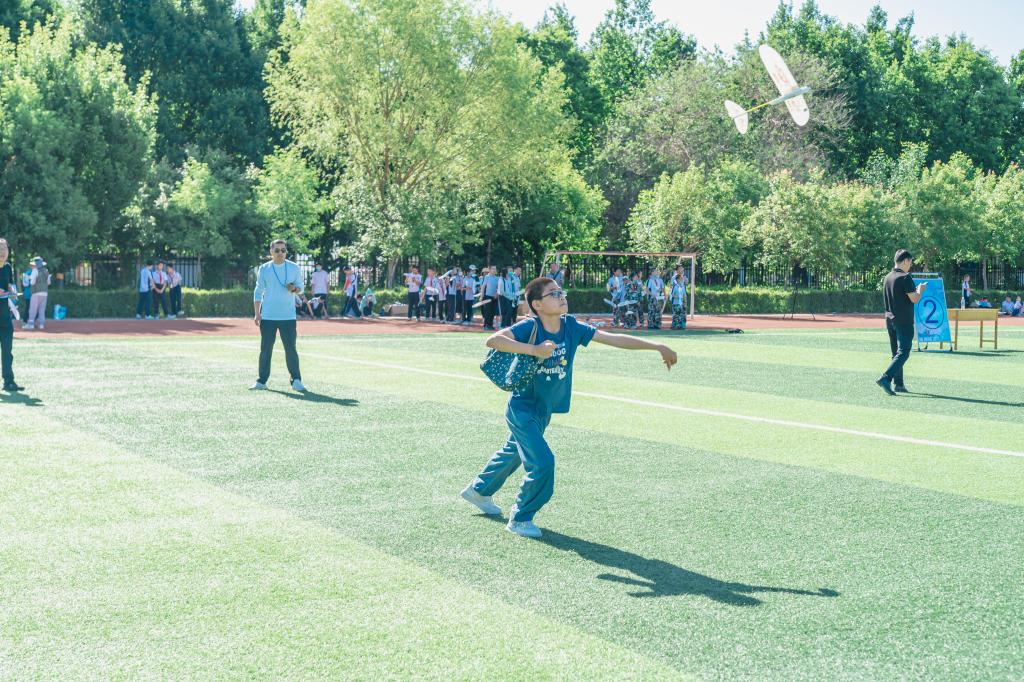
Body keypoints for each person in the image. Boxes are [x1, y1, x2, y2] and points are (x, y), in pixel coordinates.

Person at [460, 276, 678, 538]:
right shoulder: (530, 326)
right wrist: (534, 349)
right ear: (537, 305)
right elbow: (494, 340)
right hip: (522, 409)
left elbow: (613, 339)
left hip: (544, 410)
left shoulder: (571, 326)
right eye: (553, 293)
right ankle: (521, 518)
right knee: (543, 463)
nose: (561, 296)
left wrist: (657, 345)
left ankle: (479, 490)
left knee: (514, 451)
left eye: (561, 291)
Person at [252, 239, 306, 392]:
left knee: (291, 349)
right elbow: (258, 291)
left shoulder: (294, 267)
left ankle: (296, 380)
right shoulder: (264, 268)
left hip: (288, 317)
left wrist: (294, 289)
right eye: (277, 250)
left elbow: (301, 289)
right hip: (268, 316)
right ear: (271, 252)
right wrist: (257, 313)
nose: (280, 253)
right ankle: (261, 381)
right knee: (265, 349)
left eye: (283, 250)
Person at [877, 249, 927, 396]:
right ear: (905, 261)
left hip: (890, 319)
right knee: (904, 352)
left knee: (896, 353)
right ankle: (886, 378)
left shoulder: (887, 277)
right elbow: (914, 299)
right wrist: (920, 290)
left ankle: (899, 384)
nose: (910, 265)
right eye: (910, 262)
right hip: (904, 320)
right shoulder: (905, 277)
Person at [0, 238, 23, 391]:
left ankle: (9, 382)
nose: (2, 252)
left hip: (5, 318)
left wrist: (13, 294)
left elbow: (11, 285)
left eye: (4, 249)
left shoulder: (8, 267)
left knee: (7, 352)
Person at [24, 257, 49, 331]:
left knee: (33, 309)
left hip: (36, 292)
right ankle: (41, 324)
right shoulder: (46, 270)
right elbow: (48, 282)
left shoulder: (35, 270)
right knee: (42, 310)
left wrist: (30, 279)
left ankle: (30, 324)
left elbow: (32, 282)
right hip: (45, 293)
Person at [480, 265, 500, 330]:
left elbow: (498, 287)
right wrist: (481, 296)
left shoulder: (497, 278)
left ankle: (490, 325)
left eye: (495, 269)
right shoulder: (487, 277)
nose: (494, 270)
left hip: (494, 297)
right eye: (493, 269)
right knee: (487, 311)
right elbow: (483, 287)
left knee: (493, 312)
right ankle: (486, 325)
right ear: (490, 270)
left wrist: (496, 294)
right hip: (487, 296)